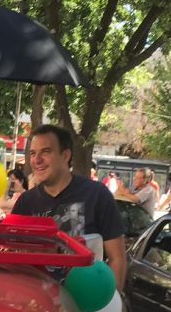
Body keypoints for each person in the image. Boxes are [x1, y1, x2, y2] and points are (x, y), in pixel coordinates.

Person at [11, 124, 127, 290]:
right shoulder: (25, 202)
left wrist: (110, 305)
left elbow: (117, 258)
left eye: (45, 151)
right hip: (37, 306)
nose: (37, 160)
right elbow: (12, 258)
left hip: (84, 306)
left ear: (65, 155)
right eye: (33, 153)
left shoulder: (97, 195)